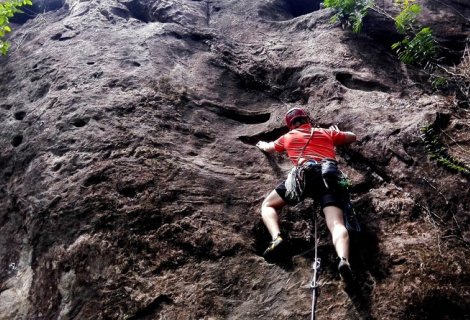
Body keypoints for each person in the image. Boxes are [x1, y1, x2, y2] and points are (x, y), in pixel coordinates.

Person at [256, 107, 357, 281]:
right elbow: (352, 136)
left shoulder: (288, 137)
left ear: (290, 125)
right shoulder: (324, 132)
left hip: (303, 177)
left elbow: (269, 148)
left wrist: (261, 144)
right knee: (336, 223)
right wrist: (337, 132)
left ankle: (277, 238)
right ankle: (343, 260)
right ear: (307, 120)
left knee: (268, 205)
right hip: (328, 177)